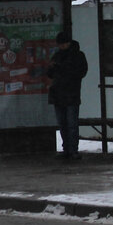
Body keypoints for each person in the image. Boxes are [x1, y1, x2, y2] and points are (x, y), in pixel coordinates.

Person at [47, 30, 88, 160]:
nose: (61, 47)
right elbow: (50, 73)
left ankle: (72, 150)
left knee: (70, 124)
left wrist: (59, 68)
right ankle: (67, 149)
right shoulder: (58, 55)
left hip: (70, 94)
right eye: (60, 44)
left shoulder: (77, 55)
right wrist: (53, 68)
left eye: (63, 44)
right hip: (60, 94)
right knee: (64, 124)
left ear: (68, 43)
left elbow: (78, 72)